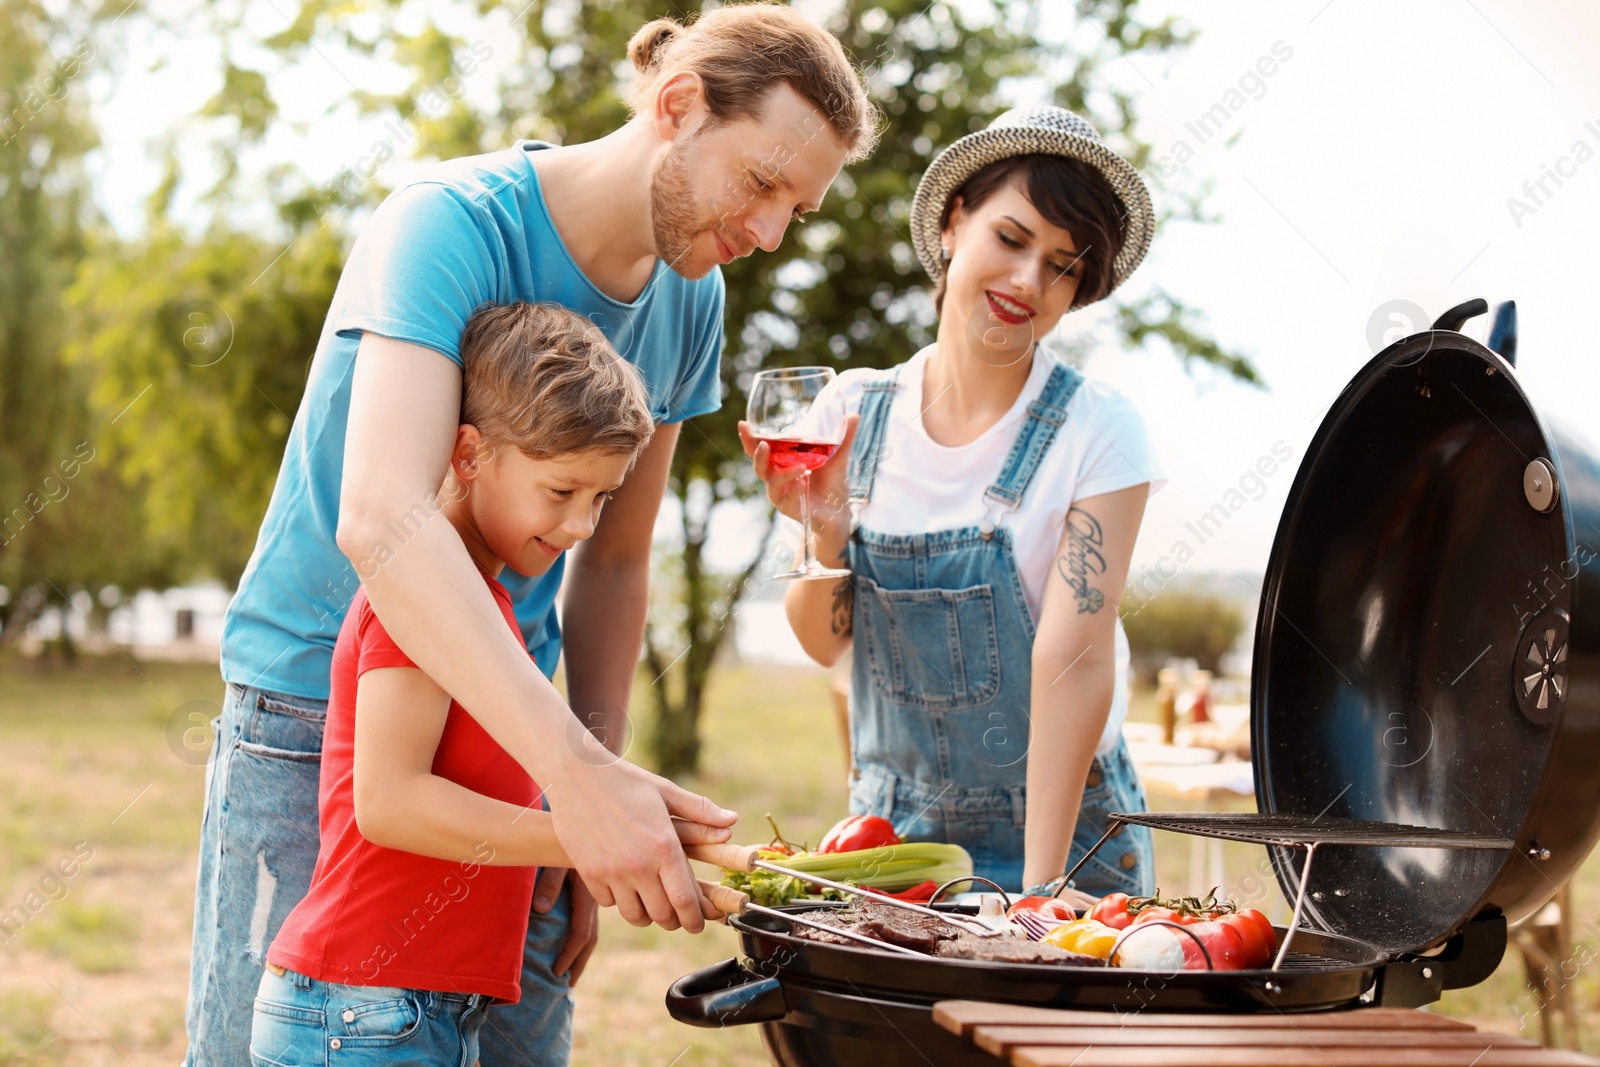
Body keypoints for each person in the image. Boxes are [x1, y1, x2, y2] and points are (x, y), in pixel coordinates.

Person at [185, 7, 877, 1066]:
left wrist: (586, 768)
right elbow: (386, 514)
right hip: (313, 713)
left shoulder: (691, 301)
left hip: (513, 733)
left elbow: (615, 557)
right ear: (678, 106)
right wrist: (581, 783)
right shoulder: (446, 222)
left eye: (799, 206)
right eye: (762, 183)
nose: (772, 229)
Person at [251, 301, 698, 1065]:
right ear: (468, 454)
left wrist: (644, 810)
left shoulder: (488, 613)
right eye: (561, 492)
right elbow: (390, 802)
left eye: (601, 498)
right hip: (361, 1015)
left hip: (412, 1012)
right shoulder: (424, 600)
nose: (584, 526)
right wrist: (585, 836)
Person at [741, 106, 1162, 902]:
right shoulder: (848, 414)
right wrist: (825, 535)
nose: (1028, 283)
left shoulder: (1099, 429)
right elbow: (824, 645)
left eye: (1063, 266)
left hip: (1070, 834)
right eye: (1011, 239)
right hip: (893, 841)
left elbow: (1073, 659)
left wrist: (1043, 889)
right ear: (953, 222)